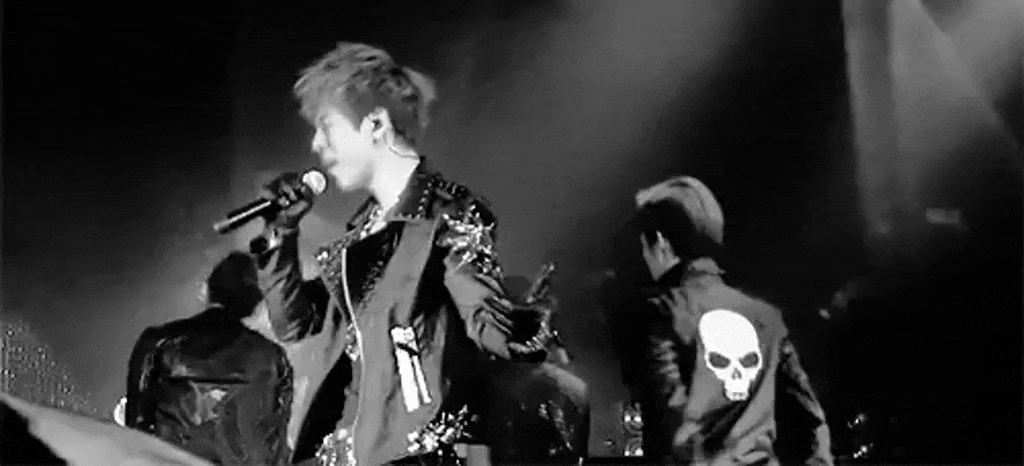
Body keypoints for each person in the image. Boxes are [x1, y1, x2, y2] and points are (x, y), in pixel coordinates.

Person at [250, 42, 555, 466]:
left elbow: (486, 320)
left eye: (327, 126)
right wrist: (281, 231)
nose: (317, 144)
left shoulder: (445, 215)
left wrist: (528, 326)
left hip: (414, 454)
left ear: (375, 124)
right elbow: (295, 322)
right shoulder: (359, 235)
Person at [621, 175, 832, 465]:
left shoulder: (662, 313)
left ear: (659, 242)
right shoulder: (767, 319)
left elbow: (669, 421)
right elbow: (811, 419)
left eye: (643, 247)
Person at [124, 252, 293, 465]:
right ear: (254, 303)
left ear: (207, 291)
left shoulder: (158, 341)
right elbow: (278, 443)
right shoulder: (274, 356)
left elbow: (135, 429)